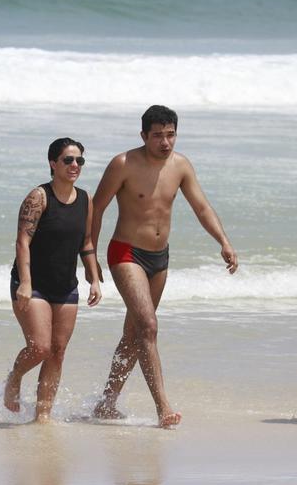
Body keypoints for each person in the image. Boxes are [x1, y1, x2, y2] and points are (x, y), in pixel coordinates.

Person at [91, 105, 238, 428]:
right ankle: (163, 407)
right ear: (143, 135)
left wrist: (223, 242)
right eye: (157, 135)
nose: (165, 142)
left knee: (135, 333)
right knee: (149, 327)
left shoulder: (181, 165)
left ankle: (106, 403)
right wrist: (90, 259)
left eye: (170, 134)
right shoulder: (123, 164)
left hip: (160, 258)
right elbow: (96, 209)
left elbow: (201, 206)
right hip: (126, 252)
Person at [4, 137, 102, 423]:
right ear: (52, 163)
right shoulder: (39, 197)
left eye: (79, 161)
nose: (75, 165)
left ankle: (42, 415)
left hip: (66, 285)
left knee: (57, 352)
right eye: (68, 160)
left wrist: (94, 278)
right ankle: (14, 377)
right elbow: (23, 241)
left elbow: (86, 241)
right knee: (40, 347)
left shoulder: (85, 199)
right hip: (33, 285)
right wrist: (24, 282)